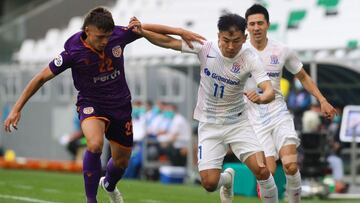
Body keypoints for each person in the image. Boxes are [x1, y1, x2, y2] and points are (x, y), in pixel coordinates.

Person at [3, 7, 204, 203]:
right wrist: (16, 109)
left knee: (122, 161)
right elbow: (40, 78)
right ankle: (91, 199)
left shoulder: (117, 36)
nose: (105, 41)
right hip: (91, 104)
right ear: (87, 31)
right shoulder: (72, 53)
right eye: (100, 37)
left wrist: (179, 31)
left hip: (120, 106)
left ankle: (108, 184)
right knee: (95, 144)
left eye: (107, 37)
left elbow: (141, 28)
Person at [129, 13, 279, 203]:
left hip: (238, 124)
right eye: (226, 40)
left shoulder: (250, 57)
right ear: (218, 36)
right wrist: (143, 31)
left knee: (262, 170)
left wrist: (260, 98)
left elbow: (269, 91)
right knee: (209, 183)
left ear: (245, 38)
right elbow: (167, 42)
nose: (231, 46)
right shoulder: (206, 48)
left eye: (236, 41)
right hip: (209, 124)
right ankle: (227, 179)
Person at [244, 4, 337, 202]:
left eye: (260, 23)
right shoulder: (240, 52)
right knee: (266, 173)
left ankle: (294, 199)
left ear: (268, 24)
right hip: (253, 119)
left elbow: (303, 76)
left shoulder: (281, 50)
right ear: (247, 27)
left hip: (278, 114)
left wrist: (322, 100)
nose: (256, 27)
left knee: (290, 166)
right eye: (252, 24)